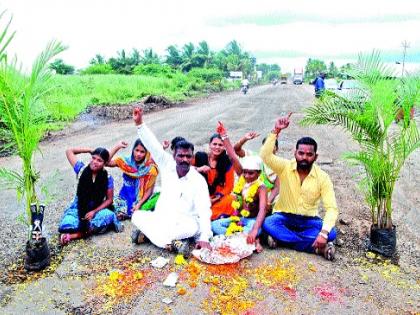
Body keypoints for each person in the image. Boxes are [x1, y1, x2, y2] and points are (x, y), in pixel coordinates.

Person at [131, 107, 212, 257]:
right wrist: (140, 124)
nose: (184, 160)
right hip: (162, 217)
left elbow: (204, 209)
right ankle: (173, 243)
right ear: (174, 155)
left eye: (188, 156)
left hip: (184, 222)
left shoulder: (198, 180)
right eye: (181, 156)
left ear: (192, 157)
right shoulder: (166, 164)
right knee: (137, 216)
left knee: (192, 228)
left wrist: (204, 237)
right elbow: (153, 145)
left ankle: (153, 237)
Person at [260, 113, 338, 260]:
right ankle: (316, 248)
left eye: (309, 154)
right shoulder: (284, 167)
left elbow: (331, 208)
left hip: (309, 220)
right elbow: (265, 155)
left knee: (331, 232)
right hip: (284, 217)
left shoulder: (323, 177)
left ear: (315, 157)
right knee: (269, 222)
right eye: (301, 153)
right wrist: (276, 131)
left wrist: (323, 233)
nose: (304, 157)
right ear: (295, 153)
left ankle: (283, 240)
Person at [59, 147, 123, 245]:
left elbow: (109, 200)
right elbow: (69, 151)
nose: (95, 162)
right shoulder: (81, 170)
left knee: (108, 216)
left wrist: (94, 211)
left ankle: (73, 235)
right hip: (78, 207)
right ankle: (81, 232)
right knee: (67, 223)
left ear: (105, 163)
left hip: (96, 208)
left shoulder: (108, 178)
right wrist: (89, 150)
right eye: (93, 158)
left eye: (99, 160)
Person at [107, 139, 159, 220]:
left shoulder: (150, 168)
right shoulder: (126, 162)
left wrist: (139, 204)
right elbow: (107, 162)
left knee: (157, 200)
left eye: (142, 152)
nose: (138, 154)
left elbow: (149, 190)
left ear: (147, 153)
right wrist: (117, 146)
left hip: (142, 199)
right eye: (137, 150)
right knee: (109, 206)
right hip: (125, 196)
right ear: (133, 150)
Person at [234, 132, 280, 210]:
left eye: (272, 145)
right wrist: (245, 139)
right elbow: (236, 149)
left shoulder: (280, 164)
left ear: (277, 148)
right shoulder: (254, 156)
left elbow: (277, 187)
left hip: (268, 195)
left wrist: (268, 202)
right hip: (249, 192)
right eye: (266, 145)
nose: (268, 148)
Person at [194, 133, 236, 220]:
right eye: (214, 144)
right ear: (210, 145)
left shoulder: (226, 162)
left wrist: (215, 199)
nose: (217, 147)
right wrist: (199, 169)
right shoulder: (200, 157)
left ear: (224, 147)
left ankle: (206, 216)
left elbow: (229, 186)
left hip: (216, 198)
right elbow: (185, 169)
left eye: (220, 145)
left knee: (231, 200)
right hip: (199, 196)